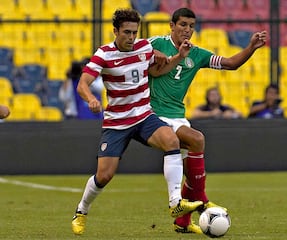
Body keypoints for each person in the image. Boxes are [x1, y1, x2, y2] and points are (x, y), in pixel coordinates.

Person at [71, 9, 203, 235]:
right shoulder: (104, 55)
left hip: (144, 116)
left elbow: (159, 71)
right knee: (104, 175)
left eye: (134, 32)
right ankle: (81, 211)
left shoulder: (144, 47)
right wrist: (91, 99)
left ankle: (175, 203)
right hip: (117, 123)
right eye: (127, 33)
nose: (131, 37)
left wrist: (177, 57)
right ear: (115, 31)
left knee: (171, 140)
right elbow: (83, 84)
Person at [148, 7, 266, 233]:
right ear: (172, 26)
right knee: (198, 140)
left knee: (192, 172)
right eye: (182, 25)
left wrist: (251, 47)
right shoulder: (155, 44)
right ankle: (202, 199)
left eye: (191, 26)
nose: (187, 30)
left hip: (178, 116)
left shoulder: (197, 53)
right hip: (154, 113)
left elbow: (231, 64)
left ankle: (182, 223)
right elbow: (133, 53)